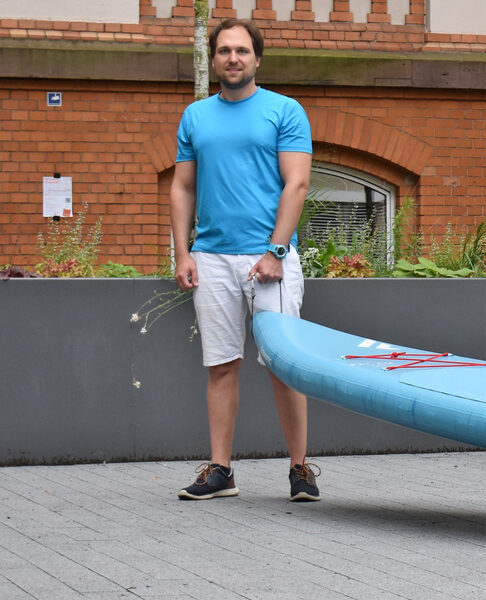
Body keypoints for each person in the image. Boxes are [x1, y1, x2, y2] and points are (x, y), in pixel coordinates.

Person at [170, 18, 319, 502]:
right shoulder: (195, 117)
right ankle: (221, 470)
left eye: (242, 50)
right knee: (221, 366)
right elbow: (183, 186)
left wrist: (276, 251)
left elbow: (296, 184)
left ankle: (300, 469)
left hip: (268, 258)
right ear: (213, 58)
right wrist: (183, 252)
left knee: (285, 365)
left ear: (257, 58)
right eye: (224, 50)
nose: (233, 58)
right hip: (210, 257)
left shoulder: (285, 111)